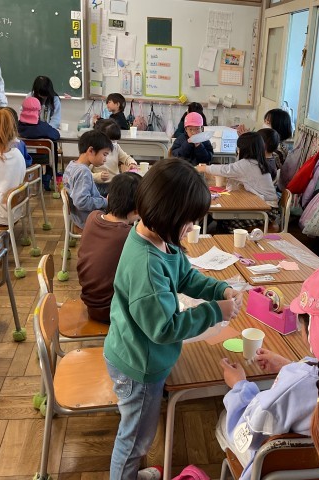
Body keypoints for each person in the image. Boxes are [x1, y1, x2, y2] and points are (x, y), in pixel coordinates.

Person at [104, 158, 242, 480]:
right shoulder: (147, 265)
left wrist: (219, 289)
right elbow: (164, 329)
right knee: (135, 440)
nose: (192, 227)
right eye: (188, 221)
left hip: (139, 353)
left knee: (137, 432)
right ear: (168, 214)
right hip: (139, 365)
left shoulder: (161, 240)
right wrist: (214, 311)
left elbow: (185, 276)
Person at [216, 264, 319, 480]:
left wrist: (239, 386)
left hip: (282, 474)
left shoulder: (296, 386)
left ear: (311, 329)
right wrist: (291, 366)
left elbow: (249, 432)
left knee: (224, 421)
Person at [77, 172, 141, 323]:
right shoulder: (128, 235)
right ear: (138, 210)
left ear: (108, 197)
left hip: (91, 303)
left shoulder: (93, 217)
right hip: (112, 310)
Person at [196, 132, 277, 206]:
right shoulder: (257, 162)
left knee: (227, 210)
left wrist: (204, 168)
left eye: (239, 148)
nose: (238, 150)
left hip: (266, 207)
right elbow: (234, 167)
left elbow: (226, 170)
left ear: (245, 149)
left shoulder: (248, 164)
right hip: (266, 203)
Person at [62, 130, 111, 229]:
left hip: (77, 216)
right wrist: (106, 202)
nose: (105, 159)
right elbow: (82, 202)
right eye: (104, 154)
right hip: (88, 219)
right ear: (91, 150)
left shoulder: (71, 165)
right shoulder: (83, 172)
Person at [17, 97, 60, 189]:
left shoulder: (16, 127)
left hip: (23, 158)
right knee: (53, 145)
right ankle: (48, 176)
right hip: (42, 158)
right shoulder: (43, 128)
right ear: (39, 112)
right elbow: (56, 135)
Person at [92, 118, 137, 196]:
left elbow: (126, 158)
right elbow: (86, 173)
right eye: (111, 140)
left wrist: (131, 163)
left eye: (115, 140)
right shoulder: (94, 151)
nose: (113, 143)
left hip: (115, 183)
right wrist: (98, 176)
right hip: (99, 186)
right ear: (100, 137)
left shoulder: (116, 147)